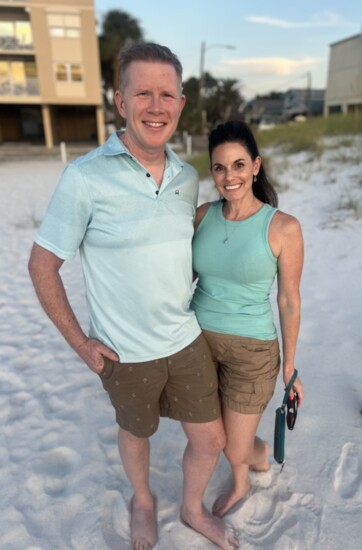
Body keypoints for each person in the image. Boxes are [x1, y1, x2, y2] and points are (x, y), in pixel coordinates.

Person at [28, 43, 240, 550]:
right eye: (142, 93)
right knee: (136, 433)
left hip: (185, 338)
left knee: (210, 439)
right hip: (124, 352)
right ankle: (142, 501)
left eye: (166, 94)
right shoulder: (84, 177)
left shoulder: (189, 179)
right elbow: (42, 265)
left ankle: (190, 509)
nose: (156, 106)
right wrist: (82, 344)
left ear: (181, 104)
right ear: (120, 101)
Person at [191, 120, 304, 518]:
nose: (229, 176)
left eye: (239, 165)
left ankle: (256, 459)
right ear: (212, 172)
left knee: (234, 446)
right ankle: (239, 482)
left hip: (252, 352)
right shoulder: (202, 217)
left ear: (255, 166)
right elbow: (177, 280)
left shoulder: (283, 227)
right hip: (197, 344)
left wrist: (290, 368)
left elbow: (289, 301)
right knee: (210, 435)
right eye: (220, 167)